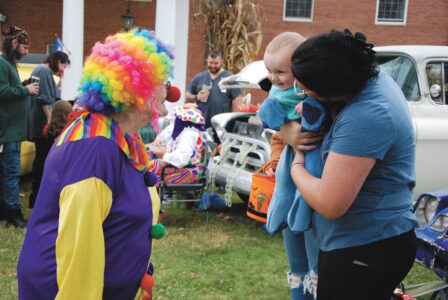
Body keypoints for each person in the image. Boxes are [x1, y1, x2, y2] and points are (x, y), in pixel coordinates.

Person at [17, 28, 174, 299]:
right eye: (164, 80)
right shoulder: (93, 150)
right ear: (136, 87)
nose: (171, 90)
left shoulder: (121, 136)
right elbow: (79, 254)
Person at [288, 29, 418, 300]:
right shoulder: (367, 77)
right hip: (366, 241)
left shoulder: (368, 114)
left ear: (333, 90)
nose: (299, 91)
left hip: (367, 247)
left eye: (305, 87)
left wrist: (295, 165)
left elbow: (329, 203)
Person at [259, 32, 319, 300]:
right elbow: (276, 134)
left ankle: (315, 287)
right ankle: (300, 289)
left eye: (280, 71)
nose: (273, 77)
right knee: (294, 248)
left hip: (313, 178)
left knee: (311, 242)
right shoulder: (278, 92)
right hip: (289, 174)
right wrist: (280, 143)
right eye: (269, 71)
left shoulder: (314, 91)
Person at [0, 25, 39, 228]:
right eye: (25, 47)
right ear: (14, 43)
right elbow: (2, 92)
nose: (27, 52)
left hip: (11, 131)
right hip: (8, 132)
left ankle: (6, 210)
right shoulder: (2, 63)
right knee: (11, 172)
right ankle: (12, 215)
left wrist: (22, 85)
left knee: (8, 172)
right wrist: (26, 90)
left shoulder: (7, 63)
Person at [28, 51, 71, 208]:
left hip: (39, 124)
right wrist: (50, 123)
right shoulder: (45, 71)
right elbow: (45, 99)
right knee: (43, 161)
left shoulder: (40, 70)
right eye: (63, 66)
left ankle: (36, 197)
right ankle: (37, 198)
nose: (62, 71)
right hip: (43, 125)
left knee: (41, 159)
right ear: (57, 61)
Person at [150, 103, 208, 185]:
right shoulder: (201, 133)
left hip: (187, 173)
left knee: (148, 170)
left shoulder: (188, 135)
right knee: (150, 165)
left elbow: (181, 160)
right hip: (193, 171)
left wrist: (163, 154)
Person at [185, 50, 243, 128]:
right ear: (207, 61)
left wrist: (232, 120)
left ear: (221, 61)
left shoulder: (229, 78)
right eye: (210, 63)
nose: (213, 66)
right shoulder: (200, 77)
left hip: (222, 125)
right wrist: (196, 97)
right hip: (201, 124)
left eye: (216, 63)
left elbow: (238, 99)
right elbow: (187, 95)